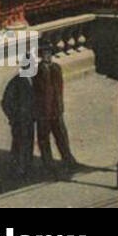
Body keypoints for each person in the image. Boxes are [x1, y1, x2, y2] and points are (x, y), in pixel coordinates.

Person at [33, 43, 78, 175]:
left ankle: (68, 159)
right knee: (44, 138)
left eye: (49, 53)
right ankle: (48, 163)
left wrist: (60, 105)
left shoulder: (56, 68)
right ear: (41, 56)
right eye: (45, 54)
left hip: (56, 109)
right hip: (43, 111)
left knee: (62, 136)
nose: (47, 56)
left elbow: (59, 88)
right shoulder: (37, 70)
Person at [2, 64, 36, 179]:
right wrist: (13, 117)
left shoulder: (32, 80)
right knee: (19, 144)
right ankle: (18, 170)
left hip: (29, 119)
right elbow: (6, 102)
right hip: (19, 120)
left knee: (29, 143)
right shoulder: (16, 81)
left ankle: (27, 168)